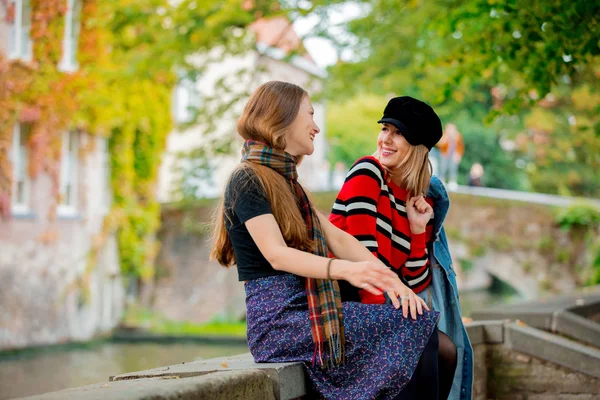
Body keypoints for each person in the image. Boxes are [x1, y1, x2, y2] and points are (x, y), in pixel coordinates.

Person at [211, 81, 442, 399]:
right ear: (285, 117)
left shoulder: (288, 184)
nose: (316, 127)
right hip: (279, 323)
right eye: (310, 114)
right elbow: (276, 254)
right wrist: (346, 271)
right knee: (414, 329)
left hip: (306, 310)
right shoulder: (247, 178)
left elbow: (339, 239)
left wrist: (393, 283)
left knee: (420, 326)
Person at [329, 96, 474, 400]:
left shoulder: (412, 197)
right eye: (385, 129)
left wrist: (418, 228)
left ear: (418, 147)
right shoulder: (367, 172)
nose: (386, 139)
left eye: (398, 133)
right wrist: (387, 330)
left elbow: (417, 281)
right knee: (426, 349)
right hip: (346, 299)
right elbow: (363, 257)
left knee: (446, 351)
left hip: (378, 302)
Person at [437, 123, 464, 190]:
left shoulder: (458, 136)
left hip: (453, 155)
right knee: (443, 167)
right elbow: (440, 145)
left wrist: (459, 155)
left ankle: (452, 181)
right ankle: (442, 180)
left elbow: (461, 146)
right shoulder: (444, 135)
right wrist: (446, 138)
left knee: (453, 168)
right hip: (444, 154)